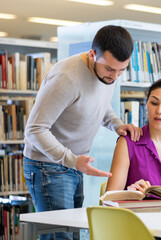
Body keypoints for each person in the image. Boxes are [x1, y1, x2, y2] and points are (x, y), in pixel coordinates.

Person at [23, 25, 142, 239]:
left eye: (121, 70)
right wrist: (71, 160)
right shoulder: (66, 77)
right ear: (92, 54)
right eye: (109, 70)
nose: (114, 77)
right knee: (60, 237)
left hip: (73, 165)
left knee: (72, 234)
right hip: (48, 166)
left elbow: (99, 103)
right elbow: (34, 130)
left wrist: (116, 124)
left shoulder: (107, 73)